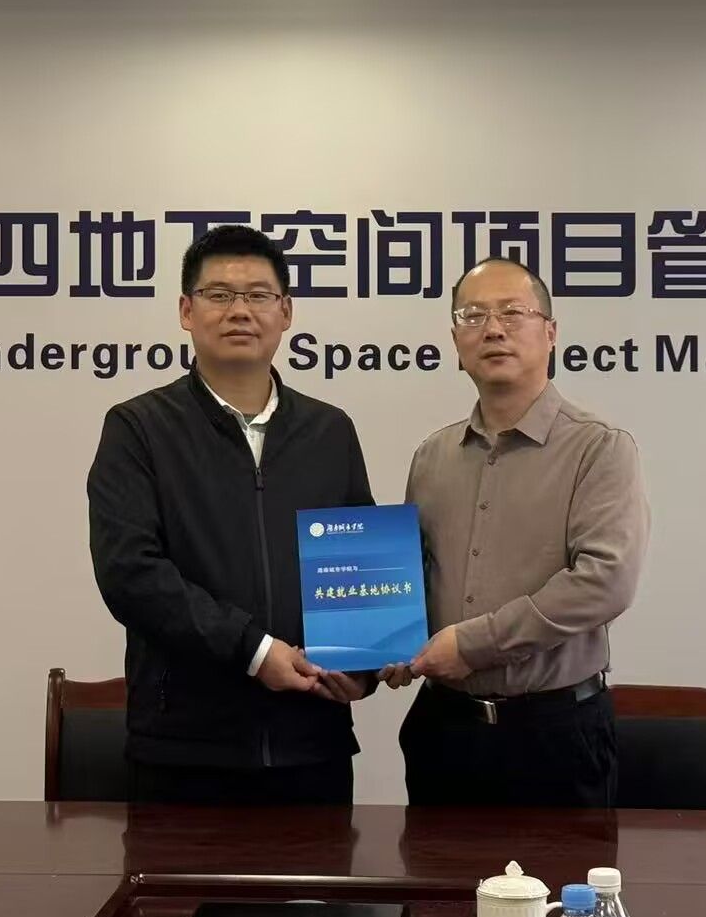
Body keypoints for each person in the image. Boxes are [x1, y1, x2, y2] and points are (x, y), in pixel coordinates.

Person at [89, 224, 373, 805]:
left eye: (258, 295)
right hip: (184, 750)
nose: (239, 311)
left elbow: (358, 560)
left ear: (286, 312)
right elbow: (130, 573)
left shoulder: (330, 430)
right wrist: (254, 650)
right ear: (186, 311)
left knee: (323, 873)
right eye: (218, 295)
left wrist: (363, 661)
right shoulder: (139, 428)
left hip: (311, 744)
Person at [384, 256, 650, 807]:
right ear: (455, 340)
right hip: (444, 730)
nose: (493, 329)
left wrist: (473, 644)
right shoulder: (432, 456)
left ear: (550, 333)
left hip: (555, 736)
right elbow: (413, 577)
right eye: (473, 315)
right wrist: (385, 643)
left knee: (559, 872)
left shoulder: (599, 448)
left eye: (512, 312)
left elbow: (605, 581)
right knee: (435, 868)